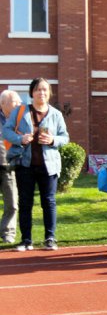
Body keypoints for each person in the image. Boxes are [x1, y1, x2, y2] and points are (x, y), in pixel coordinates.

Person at [3, 78, 69, 251]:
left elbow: (65, 137)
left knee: (49, 202)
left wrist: (53, 140)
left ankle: (50, 238)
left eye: (45, 89)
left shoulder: (56, 114)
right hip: (25, 164)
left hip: (49, 165)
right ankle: (26, 240)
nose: (42, 93)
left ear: (50, 93)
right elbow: (6, 131)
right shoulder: (20, 111)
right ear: (32, 93)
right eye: (38, 89)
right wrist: (20, 139)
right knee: (25, 203)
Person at [0, 90, 22, 244]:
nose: (19, 104)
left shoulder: (20, 121)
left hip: (10, 168)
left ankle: (8, 233)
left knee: (12, 203)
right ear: (3, 104)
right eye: (15, 102)